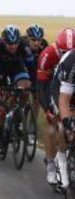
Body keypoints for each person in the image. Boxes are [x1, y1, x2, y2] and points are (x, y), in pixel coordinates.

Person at [37, 27, 75, 187]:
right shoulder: (48, 54)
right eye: (63, 51)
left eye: (70, 50)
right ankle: (52, 164)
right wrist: (47, 108)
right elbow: (42, 86)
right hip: (55, 88)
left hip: (71, 85)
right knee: (56, 126)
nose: (66, 53)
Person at [0, 25, 34, 154]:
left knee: (25, 87)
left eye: (15, 43)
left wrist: (34, 84)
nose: (13, 46)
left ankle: (17, 116)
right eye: (9, 43)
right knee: (1, 108)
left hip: (16, 67)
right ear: (3, 41)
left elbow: (31, 66)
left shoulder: (24, 46)